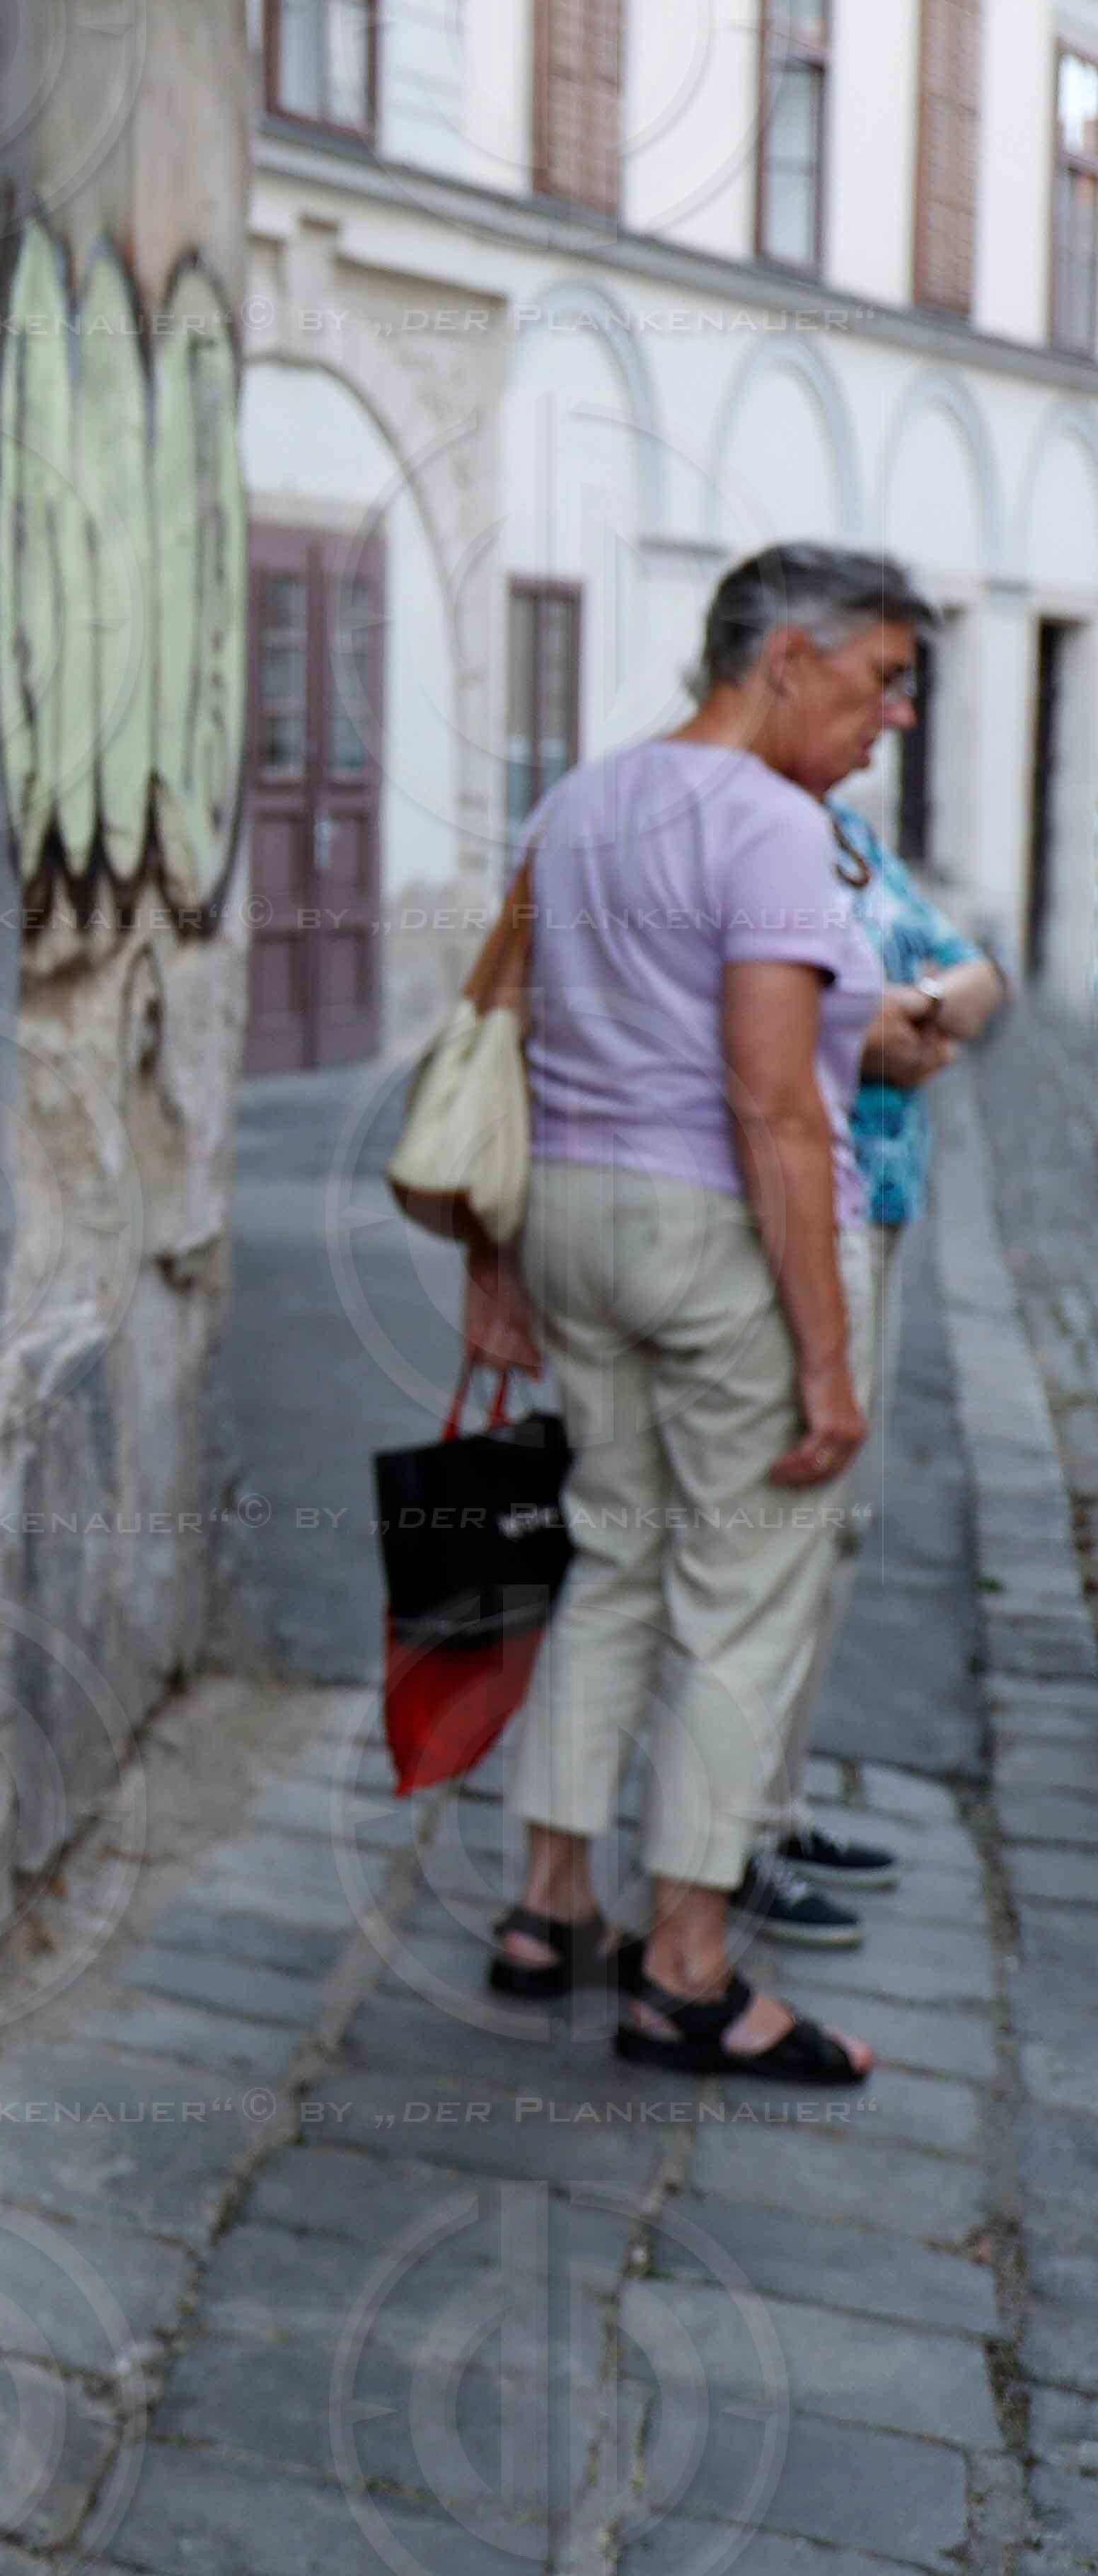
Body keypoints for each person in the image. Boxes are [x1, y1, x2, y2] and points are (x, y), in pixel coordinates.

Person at [470, 543, 935, 2083]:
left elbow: (497, 1022)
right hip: (711, 1230)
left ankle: (548, 1903)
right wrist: (828, 1358)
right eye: (881, 676)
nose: (896, 715)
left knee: (610, 1560)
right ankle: (686, 1969)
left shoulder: (583, 797)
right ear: (787, 655)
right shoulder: (771, 826)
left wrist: (493, 1263)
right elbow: (775, 1102)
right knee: (748, 1591)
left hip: (574, 1218)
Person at [727, 796, 1004, 1947]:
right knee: (775, 1535)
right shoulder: (747, 830)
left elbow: (973, 974)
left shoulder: (850, 834)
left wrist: (928, 1007)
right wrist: (900, 1022)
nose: (889, 717)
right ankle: (725, 1839)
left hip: (883, 1209)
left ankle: (775, 1810)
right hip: (798, 1218)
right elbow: (838, 1036)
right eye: (873, 683)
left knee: (838, 1532)